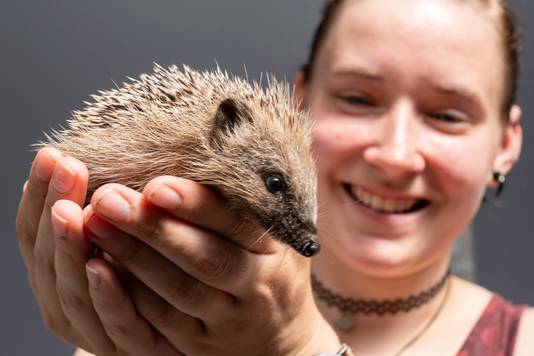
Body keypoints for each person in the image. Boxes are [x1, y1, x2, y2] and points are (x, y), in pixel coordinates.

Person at [15, 0, 534, 354]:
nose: (395, 155)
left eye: (447, 114)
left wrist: (297, 344)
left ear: (507, 143)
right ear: (300, 104)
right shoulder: (139, 317)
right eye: (356, 98)